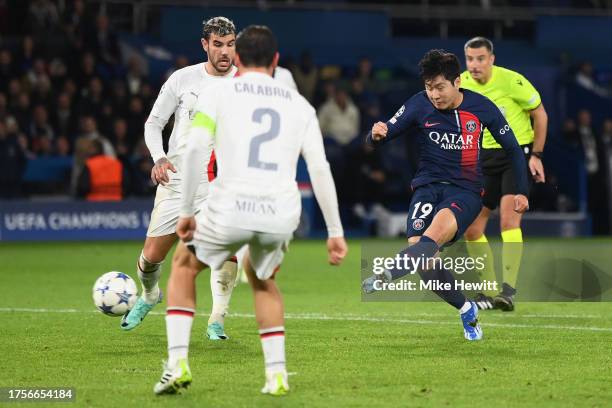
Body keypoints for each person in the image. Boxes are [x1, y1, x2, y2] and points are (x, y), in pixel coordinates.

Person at [153, 25, 347, 396]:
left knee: (182, 267)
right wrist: (335, 231)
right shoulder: (299, 104)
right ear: (276, 61)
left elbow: (194, 151)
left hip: (229, 207)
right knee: (263, 282)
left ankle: (177, 366)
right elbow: (320, 168)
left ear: (238, 58)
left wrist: (188, 210)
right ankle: (276, 375)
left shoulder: (220, 92)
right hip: (279, 213)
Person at [361, 49, 530, 341]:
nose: (434, 94)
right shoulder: (419, 104)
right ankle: (466, 309)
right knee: (424, 257)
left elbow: (514, 149)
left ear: (457, 82)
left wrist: (522, 191)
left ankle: (387, 274)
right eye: (428, 87)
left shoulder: (482, 107)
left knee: (430, 239)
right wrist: (375, 135)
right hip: (427, 188)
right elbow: (384, 133)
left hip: (465, 191)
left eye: (439, 87)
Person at [119, 17, 239, 341]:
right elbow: (153, 123)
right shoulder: (183, 79)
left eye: (230, 44)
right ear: (205, 45)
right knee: (150, 258)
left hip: (219, 181)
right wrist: (158, 158)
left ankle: (217, 320)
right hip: (176, 178)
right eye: (218, 44)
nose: (225, 51)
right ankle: (149, 294)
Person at [461, 37, 548, 311]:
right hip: (481, 160)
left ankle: (507, 291)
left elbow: (540, 115)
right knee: (472, 229)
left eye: (480, 59)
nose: (475, 65)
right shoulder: (460, 82)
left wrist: (537, 155)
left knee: (509, 223)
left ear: (492, 59)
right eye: (470, 59)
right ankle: (487, 292)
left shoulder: (512, 81)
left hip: (515, 157)